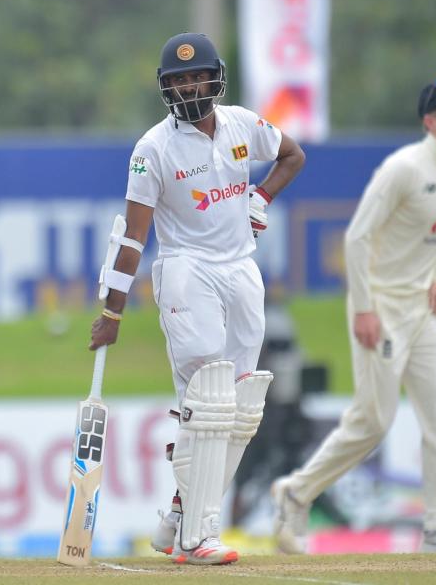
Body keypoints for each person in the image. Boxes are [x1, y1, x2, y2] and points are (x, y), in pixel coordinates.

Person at [89, 32, 305, 565]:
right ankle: (197, 537)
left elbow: (293, 155)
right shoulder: (152, 150)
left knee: (242, 406)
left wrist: (261, 195)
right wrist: (112, 311)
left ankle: (179, 517)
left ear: (215, 78)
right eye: (178, 80)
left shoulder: (241, 124)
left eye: (196, 76)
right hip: (187, 270)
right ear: (166, 88)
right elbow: (134, 237)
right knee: (208, 396)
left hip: (241, 269)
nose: (189, 86)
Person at [271, 77, 436, 555]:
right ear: (429, 121)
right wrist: (364, 308)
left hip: (422, 312)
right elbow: (356, 238)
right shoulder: (404, 168)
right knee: (374, 421)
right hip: (383, 308)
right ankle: (296, 491)